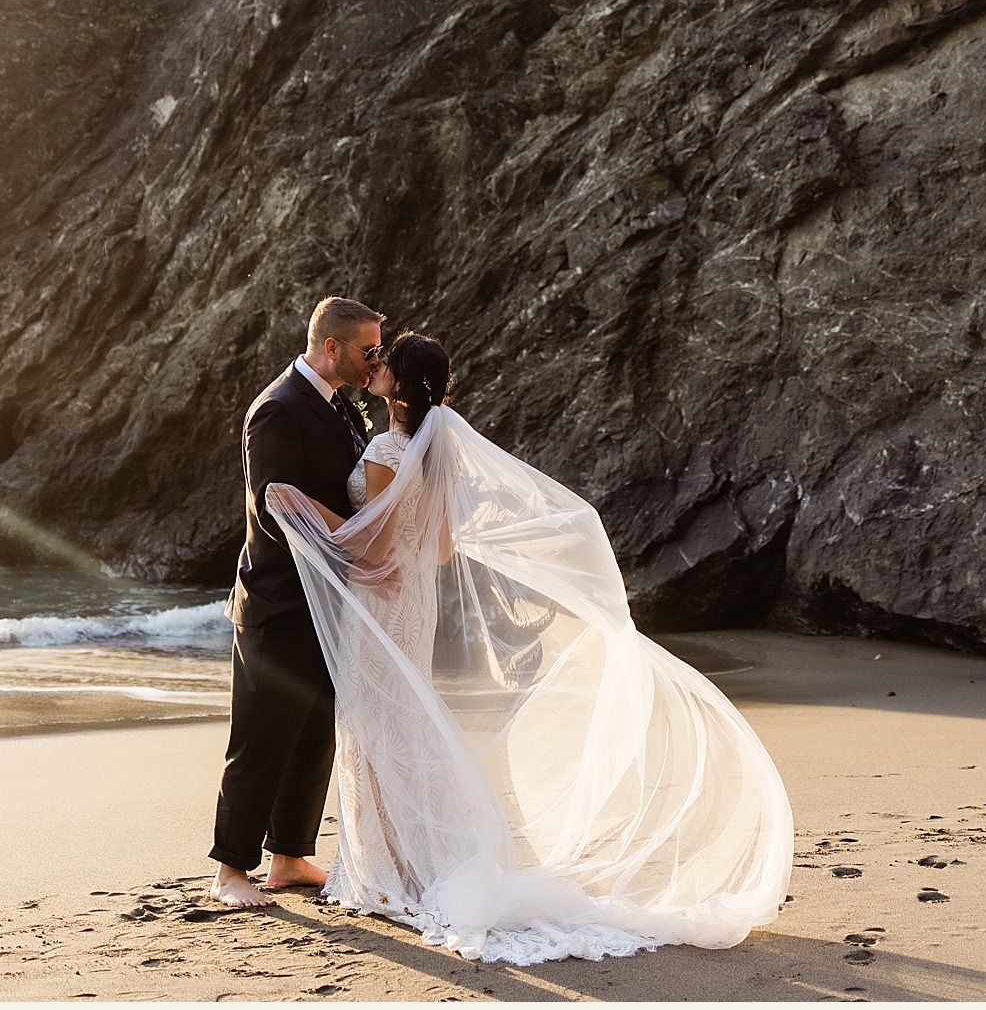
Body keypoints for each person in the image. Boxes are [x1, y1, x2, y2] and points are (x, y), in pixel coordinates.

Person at [260, 330, 795, 965]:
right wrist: (389, 543)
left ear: (397, 385)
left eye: (383, 364)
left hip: (382, 602)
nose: (372, 369)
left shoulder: (384, 446)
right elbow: (440, 548)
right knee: (400, 722)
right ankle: (410, 866)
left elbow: (370, 550)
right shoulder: (435, 451)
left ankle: (387, 874)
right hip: (415, 599)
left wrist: (307, 511)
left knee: (375, 728)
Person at [207, 296, 384, 910]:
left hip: (329, 600)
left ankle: (288, 856)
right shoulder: (278, 409)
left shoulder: (343, 406)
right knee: (261, 735)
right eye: (368, 351)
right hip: (278, 602)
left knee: (313, 734)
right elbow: (271, 507)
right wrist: (351, 544)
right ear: (331, 347)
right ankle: (231, 869)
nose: (375, 361)